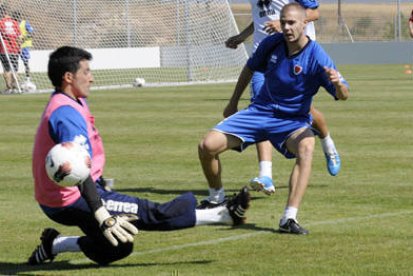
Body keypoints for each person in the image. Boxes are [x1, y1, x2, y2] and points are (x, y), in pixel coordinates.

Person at [28, 46, 250, 266]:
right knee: (147, 212)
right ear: (68, 77)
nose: (92, 78)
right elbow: (77, 169)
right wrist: (101, 211)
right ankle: (222, 214)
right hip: (69, 198)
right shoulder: (65, 114)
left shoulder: (70, 100)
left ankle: (54, 244)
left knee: (117, 246)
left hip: (65, 195)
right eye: (86, 72)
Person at [198, 3, 349, 234]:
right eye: (284, 22)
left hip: (292, 122)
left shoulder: (317, 56)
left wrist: (338, 84)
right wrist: (233, 102)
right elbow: (250, 68)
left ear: (304, 23)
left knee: (307, 147)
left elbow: (343, 95)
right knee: (207, 146)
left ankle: (289, 218)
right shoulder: (272, 43)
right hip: (259, 112)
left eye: (291, 23)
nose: (286, 28)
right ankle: (216, 199)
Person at [224, 0, 341, 197]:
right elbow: (260, 20)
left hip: (298, 53)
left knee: (305, 109)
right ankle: (266, 175)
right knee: (261, 109)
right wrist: (242, 36)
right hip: (268, 55)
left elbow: (314, 13)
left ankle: (328, 145)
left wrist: (282, 24)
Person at [0, 4, 21, 94]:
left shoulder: (0, 23)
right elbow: (19, 37)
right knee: (15, 69)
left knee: (7, 69)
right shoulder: (15, 23)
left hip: (4, 49)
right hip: (15, 49)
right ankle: (15, 87)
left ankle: (8, 88)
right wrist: (19, 48)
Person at [12, 10, 34, 82]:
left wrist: (23, 38)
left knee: (25, 62)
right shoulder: (13, 24)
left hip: (24, 46)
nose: (15, 18)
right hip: (15, 46)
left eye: (16, 17)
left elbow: (32, 34)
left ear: (19, 17)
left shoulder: (25, 23)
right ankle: (15, 81)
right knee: (15, 63)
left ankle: (28, 79)